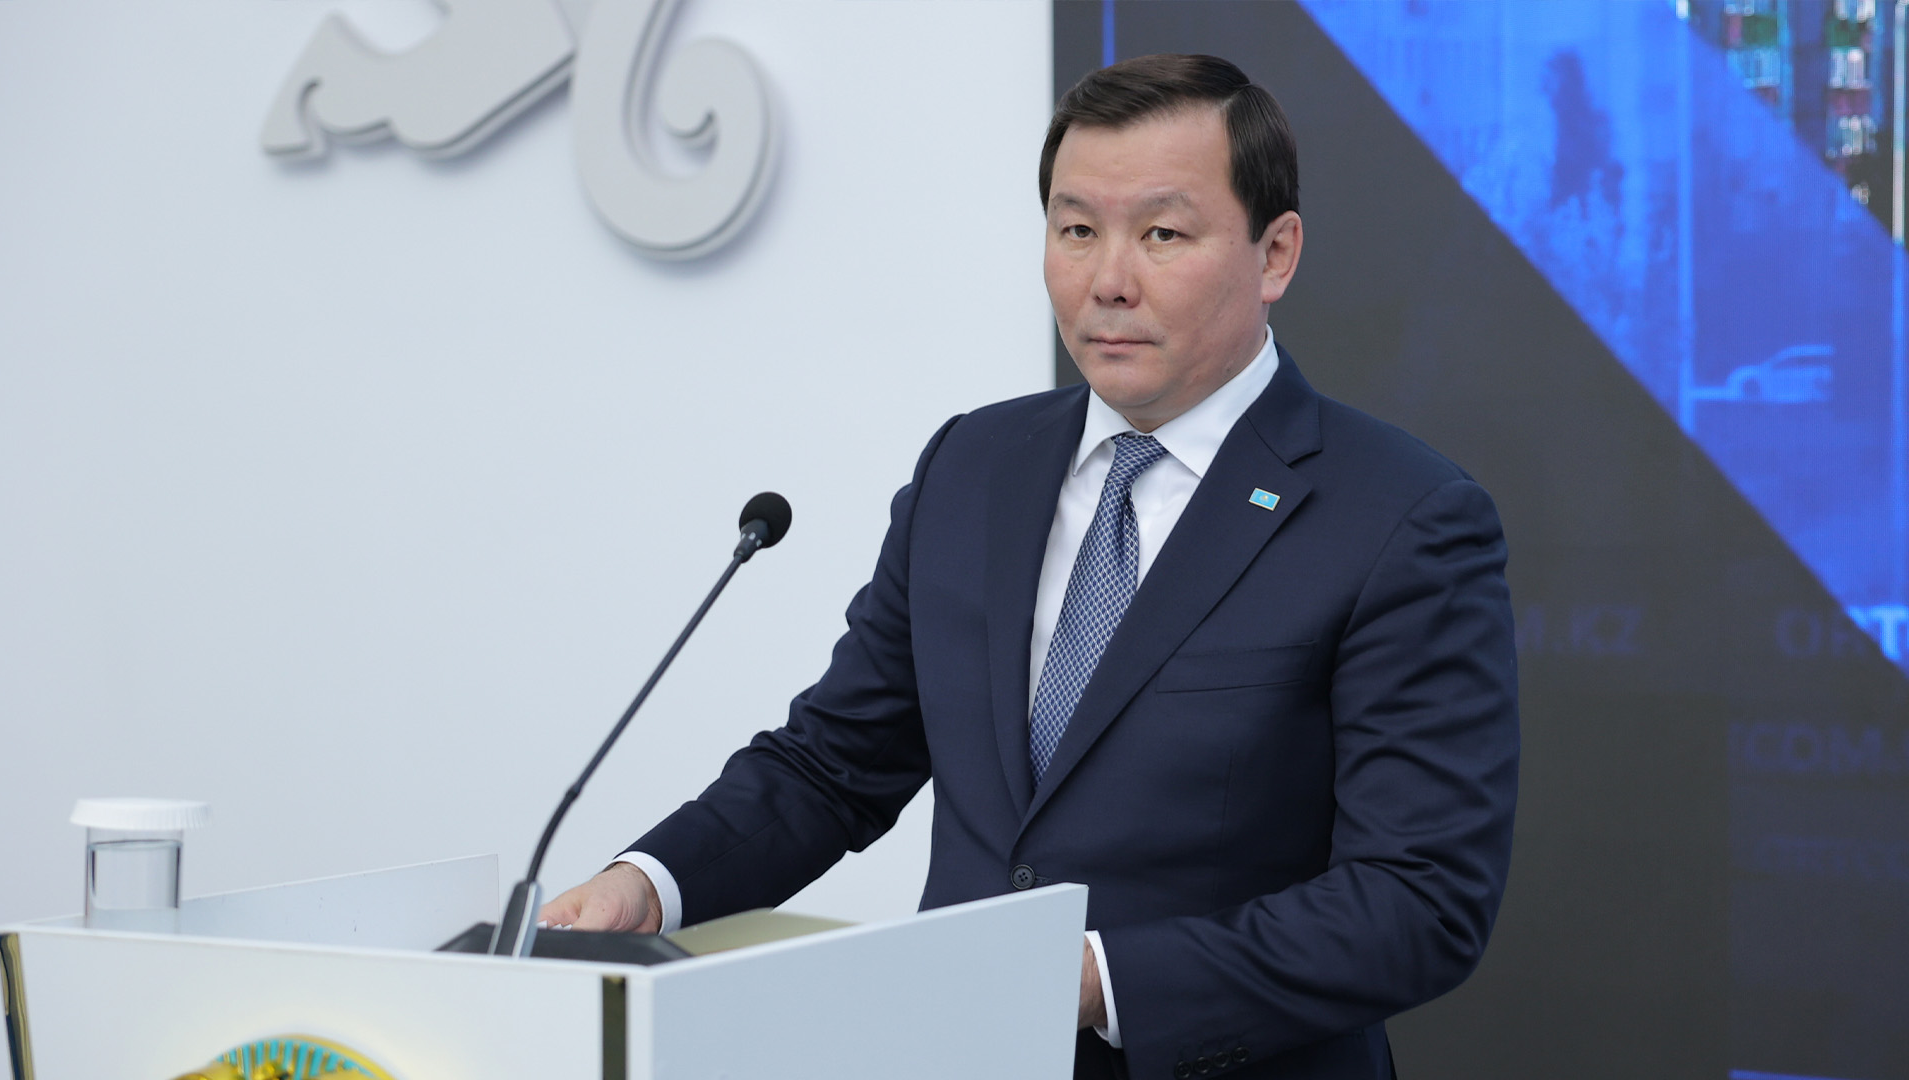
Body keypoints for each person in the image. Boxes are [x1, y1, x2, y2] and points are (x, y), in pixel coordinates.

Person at [542, 54, 1519, 1080]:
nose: (1108, 280)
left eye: (1163, 234)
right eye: (1076, 230)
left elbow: (1419, 899)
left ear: (1274, 255)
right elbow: (835, 763)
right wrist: (651, 885)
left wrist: (1099, 981)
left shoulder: (1400, 518)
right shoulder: (973, 465)